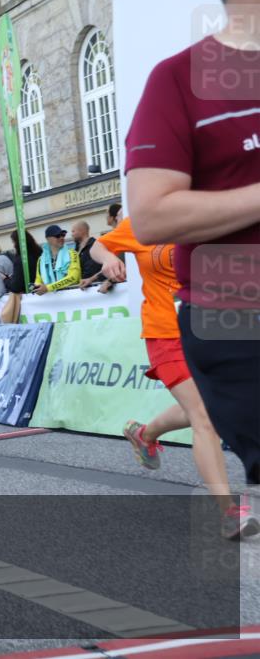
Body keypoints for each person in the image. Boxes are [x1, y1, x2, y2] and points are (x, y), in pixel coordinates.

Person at [126, 0, 260, 490]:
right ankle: (227, 513)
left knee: (201, 416)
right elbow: (147, 218)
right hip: (224, 320)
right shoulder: (179, 79)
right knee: (202, 418)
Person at [91, 218, 258, 540]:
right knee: (204, 416)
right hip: (165, 333)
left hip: (211, 328)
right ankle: (229, 512)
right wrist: (109, 258)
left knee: (212, 407)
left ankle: (144, 433)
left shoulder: (212, 215)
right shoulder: (148, 219)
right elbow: (99, 246)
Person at [33, 225, 80, 295]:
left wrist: (48, 288)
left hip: (72, 296)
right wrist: (36, 288)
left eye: (63, 235)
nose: (61, 238)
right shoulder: (41, 260)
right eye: (57, 236)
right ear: (48, 239)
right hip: (52, 299)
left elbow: (73, 277)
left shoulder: (72, 253)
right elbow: (38, 280)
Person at [73, 221, 113, 294]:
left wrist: (91, 279)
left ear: (82, 231)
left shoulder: (97, 245)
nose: (72, 234)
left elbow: (108, 266)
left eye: (73, 231)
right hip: (81, 291)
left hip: (99, 290)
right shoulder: (75, 250)